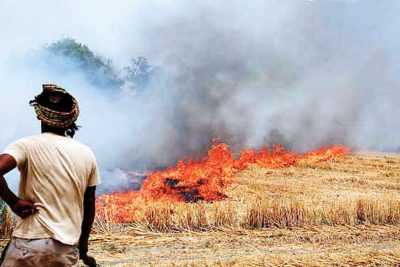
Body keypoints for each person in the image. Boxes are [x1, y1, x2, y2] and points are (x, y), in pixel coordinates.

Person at [0, 84, 100, 267]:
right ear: (71, 118)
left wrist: (13, 202)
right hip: (65, 250)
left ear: (39, 114)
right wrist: (83, 249)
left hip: (27, 245)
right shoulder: (87, 154)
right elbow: (89, 204)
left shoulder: (25, 146)